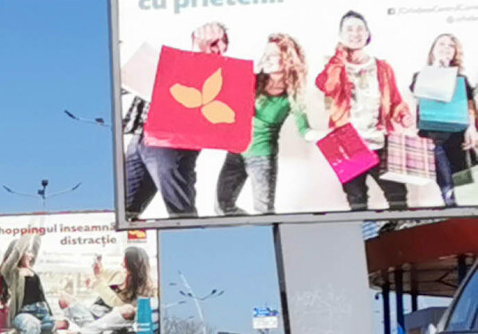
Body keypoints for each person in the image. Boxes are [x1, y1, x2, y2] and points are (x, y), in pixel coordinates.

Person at [121, 20, 227, 218]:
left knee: (179, 207)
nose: (220, 48)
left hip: (170, 141)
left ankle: (190, 242)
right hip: (141, 135)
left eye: (223, 42)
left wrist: (201, 52)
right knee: (125, 207)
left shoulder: (217, 70)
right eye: (214, 43)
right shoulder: (168, 62)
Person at [317, 11, 413, 212]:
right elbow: (327, 86)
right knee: (357, 197)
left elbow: (395, 99)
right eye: (349, 29)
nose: (355, 33)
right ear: (340, 35)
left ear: (368, 33)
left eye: (360, 28)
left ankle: (399, 235)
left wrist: (403, 115)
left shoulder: (382, 67)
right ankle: (365, 239)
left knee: (397, 194)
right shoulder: (335, 66)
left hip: (380, 140)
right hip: (348, 143)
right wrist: (338, 58)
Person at [215, 32, 308, 215]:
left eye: (272, 55)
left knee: (264, 211)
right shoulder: (253, 80)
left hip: (262, 158)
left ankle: (263, 239)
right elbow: (226, 100)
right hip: (235, 152)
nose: (266, 58)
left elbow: (304, 129)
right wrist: (249, 76)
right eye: (265, 54)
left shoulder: (293, 95)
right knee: (222, 206)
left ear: (287, 59)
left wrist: (325, 134)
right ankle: (247, 234)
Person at [415, 32, 473, 208]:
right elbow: (419, 96)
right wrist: (437, 68)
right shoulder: (421, 75)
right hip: (432, 137)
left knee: (464, 184)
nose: (446, 48)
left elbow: (469, 106)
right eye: (441, 44)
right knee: (446, 184)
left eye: (451, 46)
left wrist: (472, 129)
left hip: (457, 137)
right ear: (433, 50)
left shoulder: (462, 79)